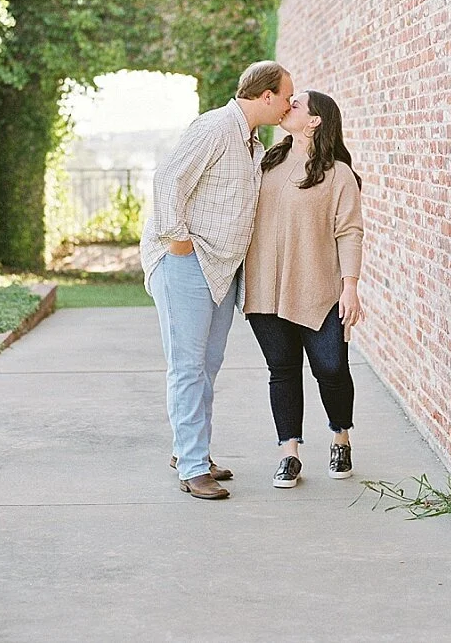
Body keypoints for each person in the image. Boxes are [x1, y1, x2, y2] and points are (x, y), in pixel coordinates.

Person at [141, 60, 295, 501]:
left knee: (207, 366)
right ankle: (192, 467)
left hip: (222, 270)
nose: (288, 104)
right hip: (186, 262)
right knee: (187, 367)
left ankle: (191, 452)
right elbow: (168, 179)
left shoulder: (252, 144)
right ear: (266, 96)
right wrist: (179, 240)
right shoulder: (215, 127)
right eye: (286, 96)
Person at [243, 90, 364, 489]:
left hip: (319, 289)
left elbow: (349, 232)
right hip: (265, 288)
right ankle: (289, 453)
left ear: (315, 121)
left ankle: (340, 436)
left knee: (331, 369)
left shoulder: (338, 175)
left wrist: (350, 288)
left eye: (297, 104)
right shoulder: (266, 161)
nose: (286, 106)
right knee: (282, 370)